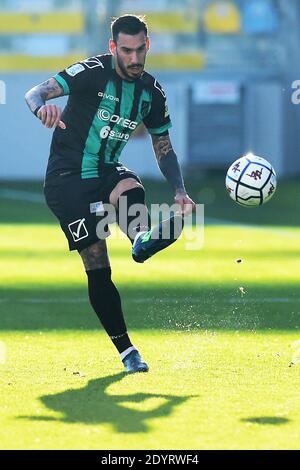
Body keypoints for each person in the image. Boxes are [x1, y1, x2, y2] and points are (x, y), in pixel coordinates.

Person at [25, 14, 195, 374]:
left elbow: (163, 146)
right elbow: (35, 92)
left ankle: (141, 240)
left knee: (130, 184)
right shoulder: (91, 72)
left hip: (106, 170)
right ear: (113, 47)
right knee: (97, 258)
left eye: (140, 51)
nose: (135, 60)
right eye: (127, 51)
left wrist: (179, 190)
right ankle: (127, 350)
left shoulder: (151, 92)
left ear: (148, 46)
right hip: (66, 179)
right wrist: (42, 108)